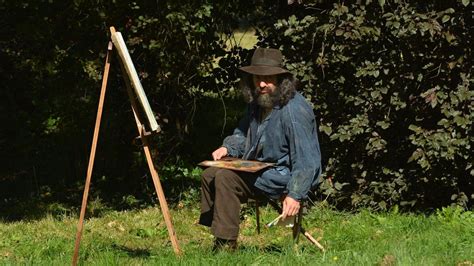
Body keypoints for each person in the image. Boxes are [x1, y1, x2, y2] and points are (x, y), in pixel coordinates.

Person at [198, 48, 322, 250]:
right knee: (210, 174)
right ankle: (218, 229)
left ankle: (225, 245)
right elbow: (242, 133)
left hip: (284, 176)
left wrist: (295, 193)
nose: (262, 84)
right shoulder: (258, 102)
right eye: (257, 79)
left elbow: (306, 160)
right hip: (260, 169)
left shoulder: (294, 110)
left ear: (282, 80)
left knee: (225, 178)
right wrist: (226, 148)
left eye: (268, 78)